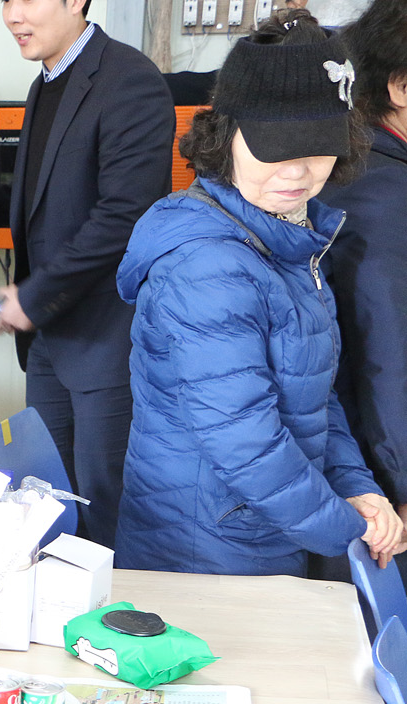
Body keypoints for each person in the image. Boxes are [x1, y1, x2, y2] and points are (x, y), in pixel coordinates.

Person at [115, 11, 404, 576]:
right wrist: (350, 524)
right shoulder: (210, 262)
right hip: (209, 544)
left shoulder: (291, 232)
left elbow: (315, 395)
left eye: (319, 146)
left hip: (264, 525)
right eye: (276, 146)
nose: (297, 170)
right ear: (227, 135)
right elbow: (243, 439)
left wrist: (359, 488)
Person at [0, 0, 175, 547]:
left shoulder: (129, 80)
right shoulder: (46, 79)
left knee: (104, 500)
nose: (12, 15)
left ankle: (122, 625)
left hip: (104, 336)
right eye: (6, 1)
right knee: (46, 498)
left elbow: (125, 215)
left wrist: (36, 294)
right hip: (50, 333)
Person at [326, 0, 407, 583]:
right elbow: (390, 363)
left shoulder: (374, 168)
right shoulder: (385, 201)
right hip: (383, 492)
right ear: (399, 86)